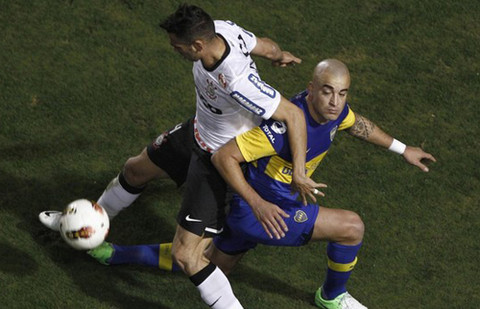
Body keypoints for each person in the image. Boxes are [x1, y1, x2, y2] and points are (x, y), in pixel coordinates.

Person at [87, 59, 436, 309]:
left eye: (342, 93)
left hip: (262, 208)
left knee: (205, 262)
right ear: (311, 89)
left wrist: (402, 149)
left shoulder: (334, 113)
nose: (335, 102)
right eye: (327, 92)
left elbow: (357, 123)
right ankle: (331, 297)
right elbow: (225, 156)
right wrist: (257, 203)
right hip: (264, 212)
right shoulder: (281, 129)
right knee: (351, 227)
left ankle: (112, 254)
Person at [39, 4, 321, 308]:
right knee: (134, 170)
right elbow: (261, 44)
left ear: (197, 45)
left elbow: (293, 115)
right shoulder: (222, 29)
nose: (174, 49)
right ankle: (87, 225)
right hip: (198, 131)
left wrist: (300, 173)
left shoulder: (236, 82)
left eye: (177, 46)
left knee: (186, 255)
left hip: (218, 159)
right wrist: (279, 55)